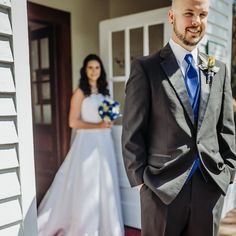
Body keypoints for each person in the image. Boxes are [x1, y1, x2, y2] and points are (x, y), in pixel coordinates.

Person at [122, 0, 236, 235]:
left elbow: (226, 129)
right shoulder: (145, 68)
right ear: (172, 17)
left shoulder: (218, 69)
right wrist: (143, 181)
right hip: (162, 191)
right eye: (189, 13)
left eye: (202, 14)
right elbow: (132, 133)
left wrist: (228, 172)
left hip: (209, 189)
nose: (196, 21)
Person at [38, 54, 124, 236]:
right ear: (85, 71)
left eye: (97, 68)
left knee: (105, 182)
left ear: (101, 71)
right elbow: (73, 122)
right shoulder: (80, 93)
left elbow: (105, 117)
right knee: (88, 184)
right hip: (87, 143)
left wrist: (107, 122)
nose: (94, 71)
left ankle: (107, 227)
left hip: (104, 141)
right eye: (90, 68)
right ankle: (86, 229)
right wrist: (97, 126)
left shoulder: (104, 93)